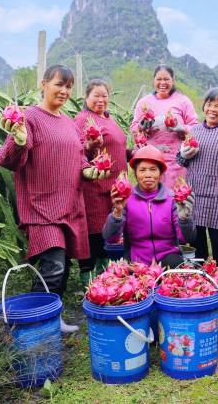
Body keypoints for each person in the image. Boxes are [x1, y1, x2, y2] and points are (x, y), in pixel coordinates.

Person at [0, 64, 110, 333]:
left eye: (69, 87)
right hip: (41, 206)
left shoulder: (70, 124)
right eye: (59, 84)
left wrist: (90, 170)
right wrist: (19, 140)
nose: (64, 91)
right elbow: (6, 159)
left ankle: (50, 319)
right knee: (54, 266)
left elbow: (79, 160)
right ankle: (36, 325)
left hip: (69, 206)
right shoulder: (29, 118)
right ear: (44, 84)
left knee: (62, 266)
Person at [176, 87, 218, 281]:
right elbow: (181, 161)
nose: (212, 109)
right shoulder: (194, 131)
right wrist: (184, 154)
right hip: (195, 196)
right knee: (196, 243)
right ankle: (198, 284)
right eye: (209, 104)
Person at [73, 79, 129, 286]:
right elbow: (76, 151)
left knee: (109, 234)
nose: (100, 99)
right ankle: (88, 283)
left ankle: (105, 281)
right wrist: (89, 147)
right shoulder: (82, 119)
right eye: (96, 95)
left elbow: (118, 149)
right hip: (95, 188)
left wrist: (135, 153)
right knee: (94, 234)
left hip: (114, 188)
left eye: (104, 95)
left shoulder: (108, 119)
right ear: (86, 98)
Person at [103, 145, 195, 267]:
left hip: (167, 257)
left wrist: (184, 219)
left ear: (160, 173)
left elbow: (187, 239)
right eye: (142, 170)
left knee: (178, 271)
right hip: (136, 260)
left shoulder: (172, 199)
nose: (148, 175)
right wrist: (117, 213)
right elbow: (110, 238)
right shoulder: (126, 201)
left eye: (153, 169)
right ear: (135, 173)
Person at [131, 65, 198, 188]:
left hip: (178, 161)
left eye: (166, 79)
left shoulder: (183, 101)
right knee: (153, 199)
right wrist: (141, 127)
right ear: (153, 80)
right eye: (159, 79)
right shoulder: (144, 103)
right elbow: (134, 129)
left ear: (173, 81)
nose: (162, 83)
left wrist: (181, 128)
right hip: (150, 161)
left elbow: (196, 128)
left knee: (176, 199)